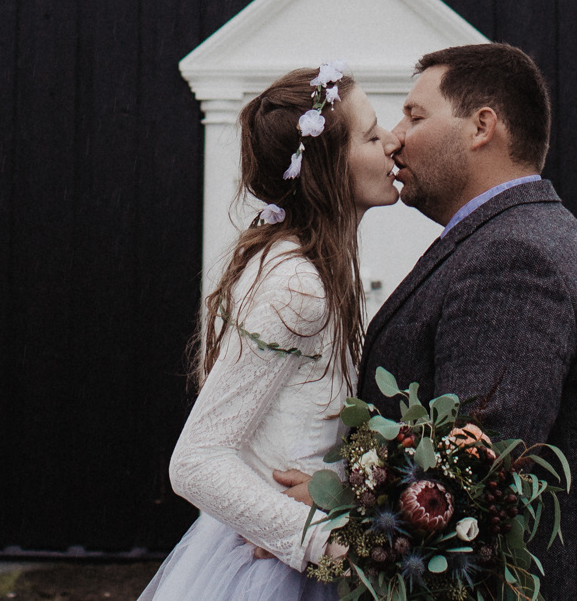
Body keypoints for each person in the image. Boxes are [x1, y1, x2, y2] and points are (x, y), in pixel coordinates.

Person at [276, 43, 577, 601]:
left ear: (481, 126)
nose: (395, 137)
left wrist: (326, 515)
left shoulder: (516, 257)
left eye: (415, 116)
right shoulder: (508, 238)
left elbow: (465, 474)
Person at [140, 63, 403, 601]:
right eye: (373, 134)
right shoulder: (298, 287)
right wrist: (326, 544)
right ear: (328, 165)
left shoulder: (321, 268)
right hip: (282, 573)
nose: (392, 142)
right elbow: (195, 462)